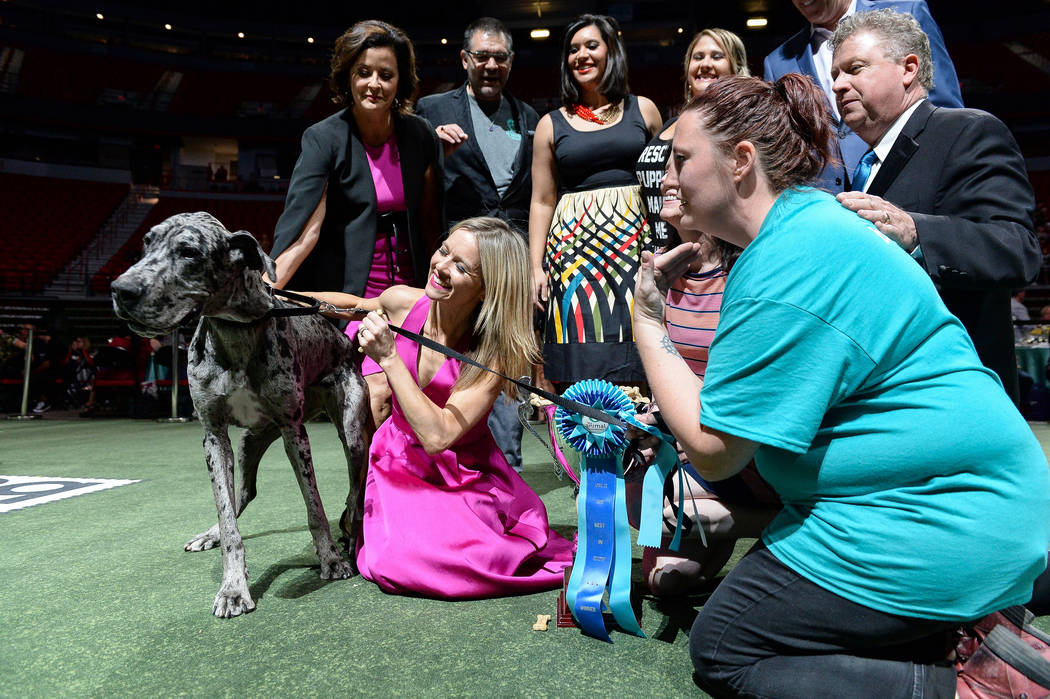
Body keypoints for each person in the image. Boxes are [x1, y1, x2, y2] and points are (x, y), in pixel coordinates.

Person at [632, 74, 1050, 697]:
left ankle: (971, 686)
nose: (665, 177)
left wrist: (646, 317)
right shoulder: (810, 227)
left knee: (726, 644)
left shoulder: (780, 266)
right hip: (964, 501)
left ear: (741, 161)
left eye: (682, 159)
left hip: (938, 518)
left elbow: (715, 449)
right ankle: (965, 631)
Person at [300, 217, 574, 598]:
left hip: (463, 473)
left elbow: (439, 436)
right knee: (393, 563)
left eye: (461, 267)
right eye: (444, 251)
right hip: (397, 461)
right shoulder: (402, 301)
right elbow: (353, 307)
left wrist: (389, 358)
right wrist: (288, 299)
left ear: (486, 290)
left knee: (477, 563)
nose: (442, 267)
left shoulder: (491, 354)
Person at [831, 9, 1040, 404]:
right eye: (835, 76)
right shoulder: (863, 165)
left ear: (908, 68)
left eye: (854, 69)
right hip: (891, 397)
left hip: (956, 396)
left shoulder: (968, 131)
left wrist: (915, 232)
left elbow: (1017, 249)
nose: (839, 85)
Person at [269, 19, 443, 428]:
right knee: (377, 398)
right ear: (347, 76)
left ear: (401, 81)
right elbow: (298, 225)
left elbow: (433, 223)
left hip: (413, 294)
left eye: (386, 74)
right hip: (353, 304)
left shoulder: (420, 136)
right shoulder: (323, 138)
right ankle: (371, 493)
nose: (374, 84)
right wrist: (267, 281)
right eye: (363, 72)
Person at [415, 17, 540, 472]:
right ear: (464, 59)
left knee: (503, 359)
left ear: (510, 62)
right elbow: (410, 184)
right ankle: (441, 463)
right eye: (481, 56)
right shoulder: (430, 111)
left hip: (510, 267)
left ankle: (505, 467)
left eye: (500, 57)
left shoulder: (530, 117)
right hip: (459, 268)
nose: (490, 65)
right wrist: (432, 148)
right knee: (453, 357)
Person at [529, 13, 662, 388]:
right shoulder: (551, 123)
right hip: (573, 255)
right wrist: (535, 267)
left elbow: (663, 181)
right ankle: (588, 440)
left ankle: (644, 440)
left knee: (641, 336)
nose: (581, 56)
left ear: (611, 51)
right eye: (573, 50)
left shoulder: (644, 109)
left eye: (591, 45)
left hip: (634, 248)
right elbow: (541, 200)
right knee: (581, 344)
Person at [763, 0, 961, 192]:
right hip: (827, 202)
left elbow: (943, 104)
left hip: (909, 183)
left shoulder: (906, 11)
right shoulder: (776, 61)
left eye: (856, 68)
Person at [635, 27, 749, 250]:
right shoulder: (671, 124)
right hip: (662, 249)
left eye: (717, 56)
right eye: (698, 57)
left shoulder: (737, 124)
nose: (705, 63)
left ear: (735, 68)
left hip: (712, 256)